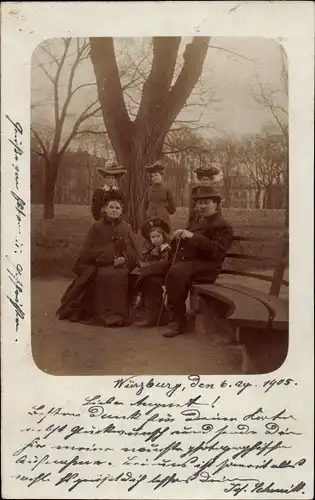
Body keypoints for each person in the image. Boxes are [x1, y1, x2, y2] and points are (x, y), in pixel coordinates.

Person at [137, 185, 234, 337]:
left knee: (176, 273)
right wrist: (177, 239)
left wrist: (192, 237)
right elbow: (184, 244)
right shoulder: (195, 221)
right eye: (199, 203)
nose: (201, 206)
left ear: (215, 204)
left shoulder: (222, 226)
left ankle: (177, 320)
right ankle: (157, 314)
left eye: (206, 202)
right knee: (148, 272)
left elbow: (217, 251)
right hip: (187, 263)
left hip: (206, 267)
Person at [57, 190, 139, 327]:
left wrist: (124, 258)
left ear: (121, 211)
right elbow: (87, 251)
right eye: (111, 207)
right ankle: (104, 315)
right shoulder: (96, 227)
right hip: (100, 265)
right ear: (105, 209)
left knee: (122, 274)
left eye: (117, 208)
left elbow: (134, 250)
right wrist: (106, 258)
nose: (114, 210)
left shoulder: (127, 228)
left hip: (122, 265)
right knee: (106, 275)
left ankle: (120, 314)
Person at [141, 161, 176, 225]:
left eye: (156, 175)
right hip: (150, 219)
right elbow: (144, 207)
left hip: (163, 219)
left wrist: (164, 208)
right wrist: (144, 220)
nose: (154, 177)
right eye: (152, 176)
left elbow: (173, 209)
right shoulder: (148, 190)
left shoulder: (167, 189)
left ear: (161, 175)